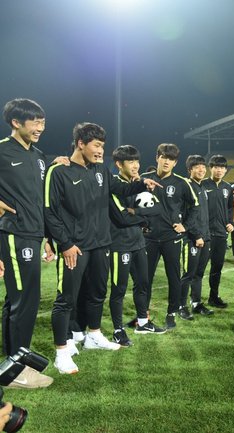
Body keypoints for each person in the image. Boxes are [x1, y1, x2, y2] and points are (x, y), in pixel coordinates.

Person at [45, 123, 156, 374]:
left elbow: (120, 189)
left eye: (102, 147)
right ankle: (62, 351)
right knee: (66, 299)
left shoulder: (100, 171)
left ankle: (93, 335)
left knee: (97, 293)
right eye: (96, 145)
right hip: (76, 247)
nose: (100, 151)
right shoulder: (59, 171)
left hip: (101, 244)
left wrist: (142, 184)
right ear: (80, 143)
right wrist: (66, 244)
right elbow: (49, 212)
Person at [0, 98, 54, 387]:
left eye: (43, 122)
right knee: (25, 301)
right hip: (14, 234)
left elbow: (37, 200)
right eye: (34, 122)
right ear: (16, 123)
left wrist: (45, 237)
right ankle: (17, 372)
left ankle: (11, 362)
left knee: (17, 300)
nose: (40, 127)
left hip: (33, 235)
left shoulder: (39, 155)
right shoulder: (1, 150)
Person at [108, 145, 166, 345]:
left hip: (138, 243)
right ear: (119, 164)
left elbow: (157, 209)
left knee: (143, 283)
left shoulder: (139, 183)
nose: (135, 165)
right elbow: (121, 218)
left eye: (137, 161)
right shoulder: (114, 185)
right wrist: (141, 218)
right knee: (119, 290)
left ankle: (143, 322)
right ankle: (117, 331)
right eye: (130, 161)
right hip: (119, 245)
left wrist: (136, 213)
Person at [141, 143, 199, 330]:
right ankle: (143, 315)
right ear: (157, 157)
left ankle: (171, 313)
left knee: (173, 277)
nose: (167, 161)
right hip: (148, 238)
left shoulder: (182, 183)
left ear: (175, 163)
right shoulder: (143, 179)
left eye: (171, 159)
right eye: (164, 157)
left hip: (172, 238)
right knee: (144, 279)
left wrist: (186, 226)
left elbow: (195, 206)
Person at [179, 155, 215, 319]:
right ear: (190, 170)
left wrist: (206, 235)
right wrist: (197, 235)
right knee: (188, 273)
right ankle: (181, 306)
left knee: (199, 273)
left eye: (203, 166)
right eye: (197, 167)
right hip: (192, 238)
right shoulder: (186, 187)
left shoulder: (202, 187)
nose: (201, 170)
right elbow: (186, 216)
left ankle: (196, 303)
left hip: (205, 237)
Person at [203, 155, 234, 308]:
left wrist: (230, 222)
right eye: (216, 167)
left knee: (217, 268)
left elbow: (230, 207)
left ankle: (213, 297)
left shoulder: (227, 187)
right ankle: (192, 300)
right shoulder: (202, 184)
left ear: (225, 170)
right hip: (204, 234)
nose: (219, 170)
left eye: (222, 167)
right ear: (211, 168)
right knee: (197, 268)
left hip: (221, 234)